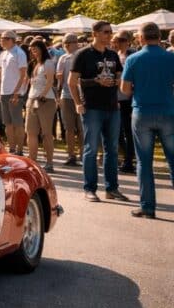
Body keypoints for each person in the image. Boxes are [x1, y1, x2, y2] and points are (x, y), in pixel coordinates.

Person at [119, 21, 174, 219]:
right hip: (168, 111)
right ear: (160, 37)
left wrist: (139, 90)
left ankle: (147, 207)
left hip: (141, 111)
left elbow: (124, 90)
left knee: (144, 161)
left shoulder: (134, 59)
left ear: (141, 38)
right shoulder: (171, 57)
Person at [70, 20, 128, 203]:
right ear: (94, 33)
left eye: (110, 32)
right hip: (92, 107)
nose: (109, 35)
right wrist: (78, 102)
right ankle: (90, 188)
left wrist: (118, 81)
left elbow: (119, 73)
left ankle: (112, 188)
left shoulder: (112, 54)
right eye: (105, 32)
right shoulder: (83, 54)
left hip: (112, 107)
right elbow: (73, 82)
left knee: (112, 149)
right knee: (91, 149)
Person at [24, 39, 57, 171]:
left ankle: (49, 163)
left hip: (46, 100)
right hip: (31, 99)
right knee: (30, 132)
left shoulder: (48, 63)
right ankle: (33, 161)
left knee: (46, 133)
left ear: (42, 48)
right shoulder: (32, 64)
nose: (33, 50)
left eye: (36, 47)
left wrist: (42, 95)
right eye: (31, 48)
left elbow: (50, 81)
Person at [0, 30, 28, 153]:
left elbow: (23, 75)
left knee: (17, 123)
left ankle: (20, 149)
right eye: (1, 38)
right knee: (7, 123)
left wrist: (16, 92)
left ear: (10, 39)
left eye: (3, 38)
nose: (1, 40)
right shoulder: (3, 54)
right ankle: (12, 148)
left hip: (15, 93)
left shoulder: (19, 53)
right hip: (4, 92)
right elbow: (1, 74)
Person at [55, 33, 84, 166]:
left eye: (69, 42)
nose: (66, 45)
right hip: (66, 95)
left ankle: (83, 154)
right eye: (64, 43)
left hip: (81, 95)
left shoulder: (82, 55)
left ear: (76, 43)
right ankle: (71, 155)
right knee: (69, 128)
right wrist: (58, 94)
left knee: (82, 127)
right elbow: (59, 79)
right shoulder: (62, 58)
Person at [113, 30, 137, 174]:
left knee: (128, 130)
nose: (118, 42)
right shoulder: (116, 55)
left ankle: (129, 160)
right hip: (117, 98)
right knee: (118, 131)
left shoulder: (131, 55)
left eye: (121, 40)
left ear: (128, 41)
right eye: (116, 40)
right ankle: (125, 157)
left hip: (128, 98)